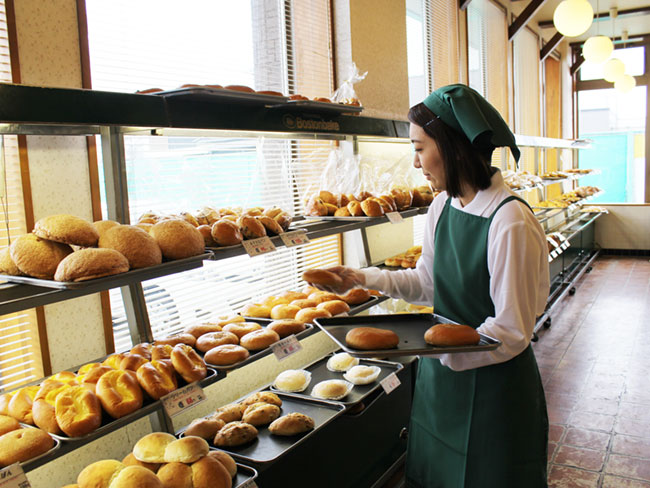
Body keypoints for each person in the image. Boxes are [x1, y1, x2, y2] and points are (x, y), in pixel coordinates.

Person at [307, 84, 550, 487]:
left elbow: (510, 332)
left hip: (494, 387)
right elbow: (426, 283)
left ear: (453, 146)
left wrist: (441, 349)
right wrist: (361, 278)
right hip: (442, 380)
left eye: (420, 148)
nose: (416, 163)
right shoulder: (441, 206)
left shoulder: (510, 222)